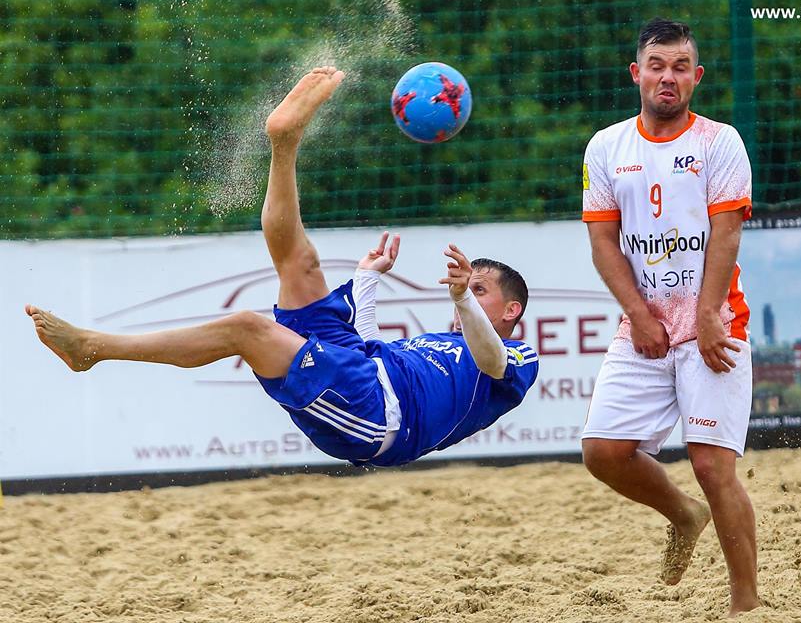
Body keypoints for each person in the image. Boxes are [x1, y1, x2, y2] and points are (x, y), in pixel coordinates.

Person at [25, 67, 539, 468]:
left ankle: (92, 349)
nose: (466, 290)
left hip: (380, 420)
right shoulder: (442, 341)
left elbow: (490, 361)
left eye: (480, 288)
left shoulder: (519, 358)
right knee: (300, 264)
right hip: (366, 371)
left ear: (512, 308)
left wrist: (460, 298)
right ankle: (284, 143)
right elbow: (367, 347)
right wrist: (367, 278)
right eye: (467, 285)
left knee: (247, 328)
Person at [579, 19, 759, 616]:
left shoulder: (719, 141)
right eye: (657, 65)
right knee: (602, 452)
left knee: (711, 464)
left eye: (681, 67)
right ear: (637, 73)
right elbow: (604, 243)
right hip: (644, 328)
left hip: (713, 323)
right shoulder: (606, 147)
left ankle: (746, 604)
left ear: (696, 78)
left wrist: (709, 314)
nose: (668, 77)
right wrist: (638, 312)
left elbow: (725, 233)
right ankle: (683, 514)